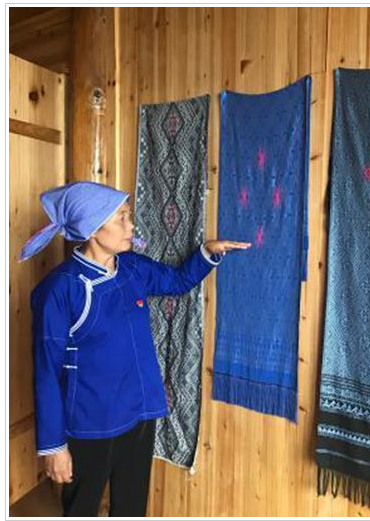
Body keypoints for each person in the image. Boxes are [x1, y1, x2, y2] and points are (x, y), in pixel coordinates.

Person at [19, 181, 250, 516]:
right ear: (92, 230)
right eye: (122, 218)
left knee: (131, 507)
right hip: (91, 424)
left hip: (139, 415)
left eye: (128, 216)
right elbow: (46, 373)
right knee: (81, 508)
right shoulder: (60, 290)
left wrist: (208, 253)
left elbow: (177, 281)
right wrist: (53, 446)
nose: (131, 226)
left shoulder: (132, 268)